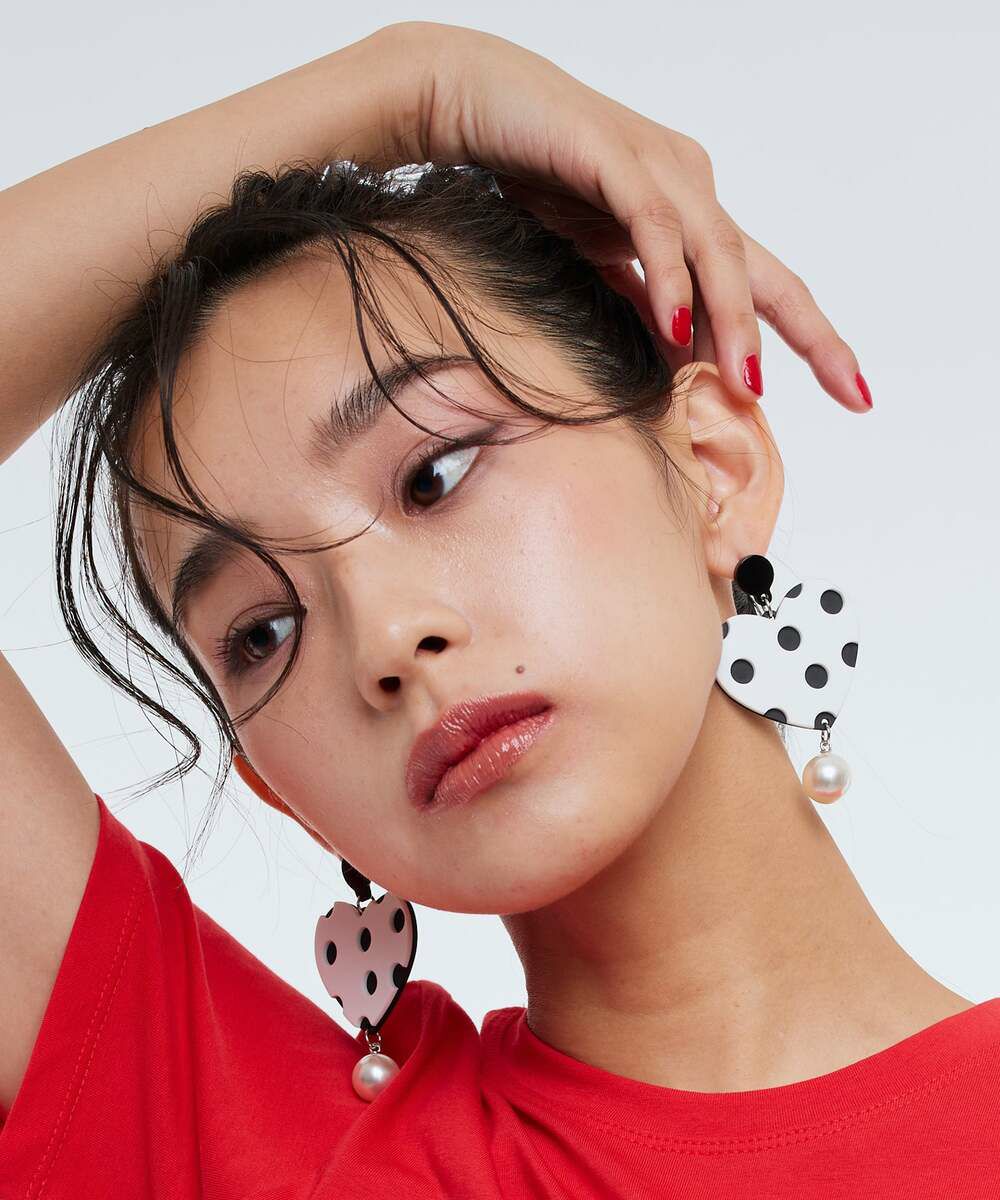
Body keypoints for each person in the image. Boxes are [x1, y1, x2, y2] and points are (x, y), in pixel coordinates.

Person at [4, 19, 993, 1200]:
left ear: (712, 467)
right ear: (276, 785)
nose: (384, 639)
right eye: (263, 632)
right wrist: (411, 89)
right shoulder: (268, 1157)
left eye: (434, 476)